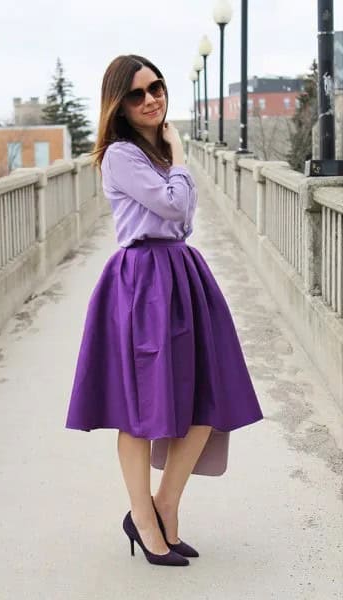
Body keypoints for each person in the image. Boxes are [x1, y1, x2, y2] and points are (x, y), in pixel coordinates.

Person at [65, 54, 264, 567]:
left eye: (156, 88)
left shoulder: (156, 156)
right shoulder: (120, 156)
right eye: (137, 94)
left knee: (208, 394)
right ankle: (146, 519)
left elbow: (184, 218)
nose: (151, 99)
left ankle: (165, 507)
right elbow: (174, 208)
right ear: (119, 104)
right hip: (141, 284)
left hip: (182, 276)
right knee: (137, 409)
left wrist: (172, 159)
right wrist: (178, 154)